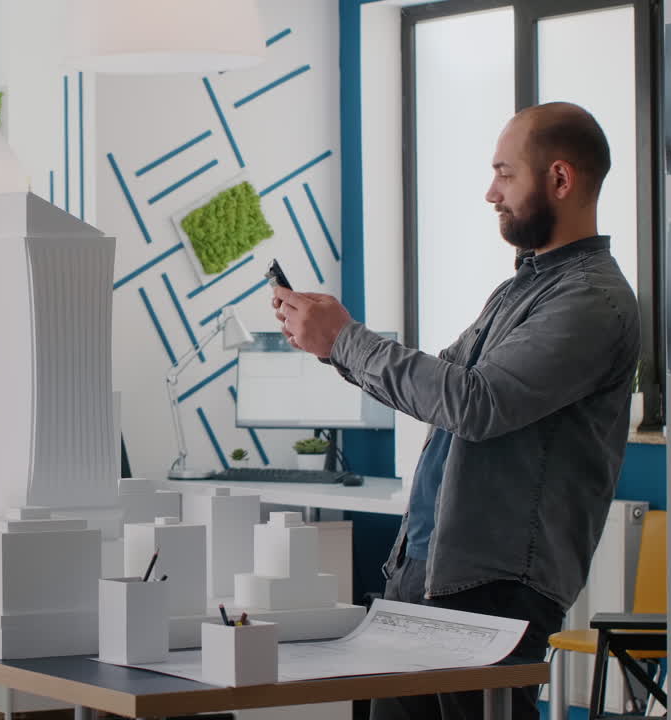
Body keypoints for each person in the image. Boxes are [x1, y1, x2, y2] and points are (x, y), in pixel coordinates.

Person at [272, 103, 640, 720]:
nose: (490, 192)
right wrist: (332, 346)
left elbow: (478, 404)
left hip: (493, 588)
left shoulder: (593, 300)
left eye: (505, 173)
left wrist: (346, 338)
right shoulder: (522, 287)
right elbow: (440, 390)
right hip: (425, 566)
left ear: (559, 179)